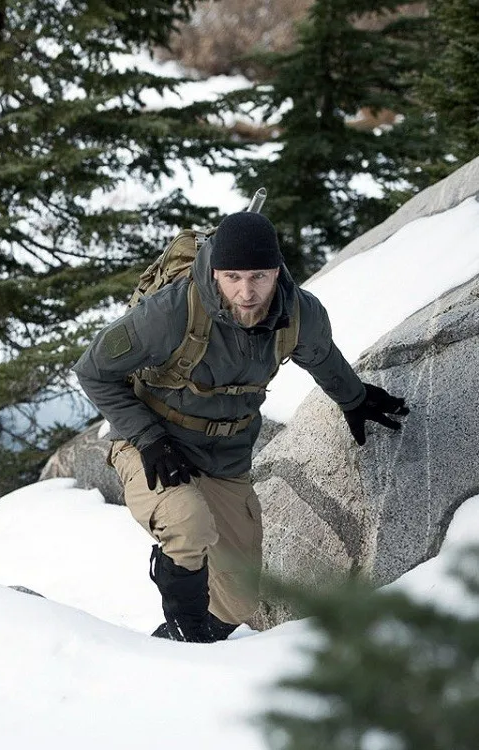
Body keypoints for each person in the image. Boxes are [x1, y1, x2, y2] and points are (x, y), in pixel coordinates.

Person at [72, 211, 409, 643]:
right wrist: (148, 437)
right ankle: (180, 640)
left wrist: (355, 400)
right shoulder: (172, 312)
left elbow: (322, 357)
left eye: (259, 277)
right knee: (187, 523)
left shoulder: (300, 314)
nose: (246, 292)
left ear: (277, 272)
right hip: (154, 445)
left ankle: (197, 636)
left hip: (224, 457)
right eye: (232, 277)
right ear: (215, 272)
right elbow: (93, 371)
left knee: (240, 599)